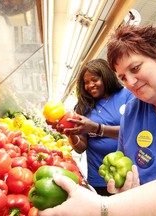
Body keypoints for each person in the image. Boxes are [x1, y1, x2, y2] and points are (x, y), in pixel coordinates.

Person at [38, 24, 156, 216]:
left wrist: (104, 207)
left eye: (136, 68)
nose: (130, 82)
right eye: (123, 77)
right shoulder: (133, 111)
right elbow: (129, 171)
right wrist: (124, 191)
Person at [57, 58, 134, 196]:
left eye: (94, 80)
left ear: (106, 77)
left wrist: (96, 128)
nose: (90, 85)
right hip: (98, 178)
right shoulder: (84, 107)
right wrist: (71, 132)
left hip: (127, 176)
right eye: (86, 83)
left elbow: (134, 132)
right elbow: (81, 148)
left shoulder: (127, 95)